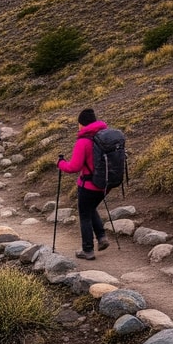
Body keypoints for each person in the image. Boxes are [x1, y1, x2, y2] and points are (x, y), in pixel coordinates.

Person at [57, 109, 111, 260]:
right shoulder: (103, 137)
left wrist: (60, 163)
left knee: (85, 214)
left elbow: (74, 167)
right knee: (91, 207)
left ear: (82, 124)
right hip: (105, 184)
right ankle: (101, 238)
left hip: (88, 185)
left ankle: (87, 249)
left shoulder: (84, 141)